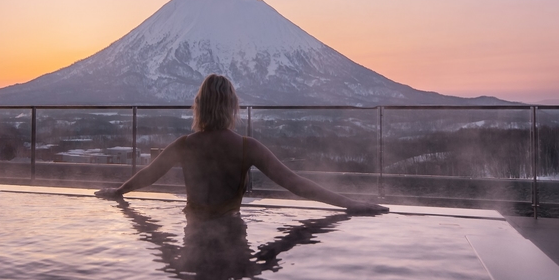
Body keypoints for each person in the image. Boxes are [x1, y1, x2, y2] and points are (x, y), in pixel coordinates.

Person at [95, 74, 388, 217]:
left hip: (193, 231)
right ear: (233, 107)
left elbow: (149, 175)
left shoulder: (184, 145)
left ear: (198, 106)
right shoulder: (247, 147)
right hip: (230, 231)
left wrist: (118, 192)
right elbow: (295, 183)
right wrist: (350, 204)